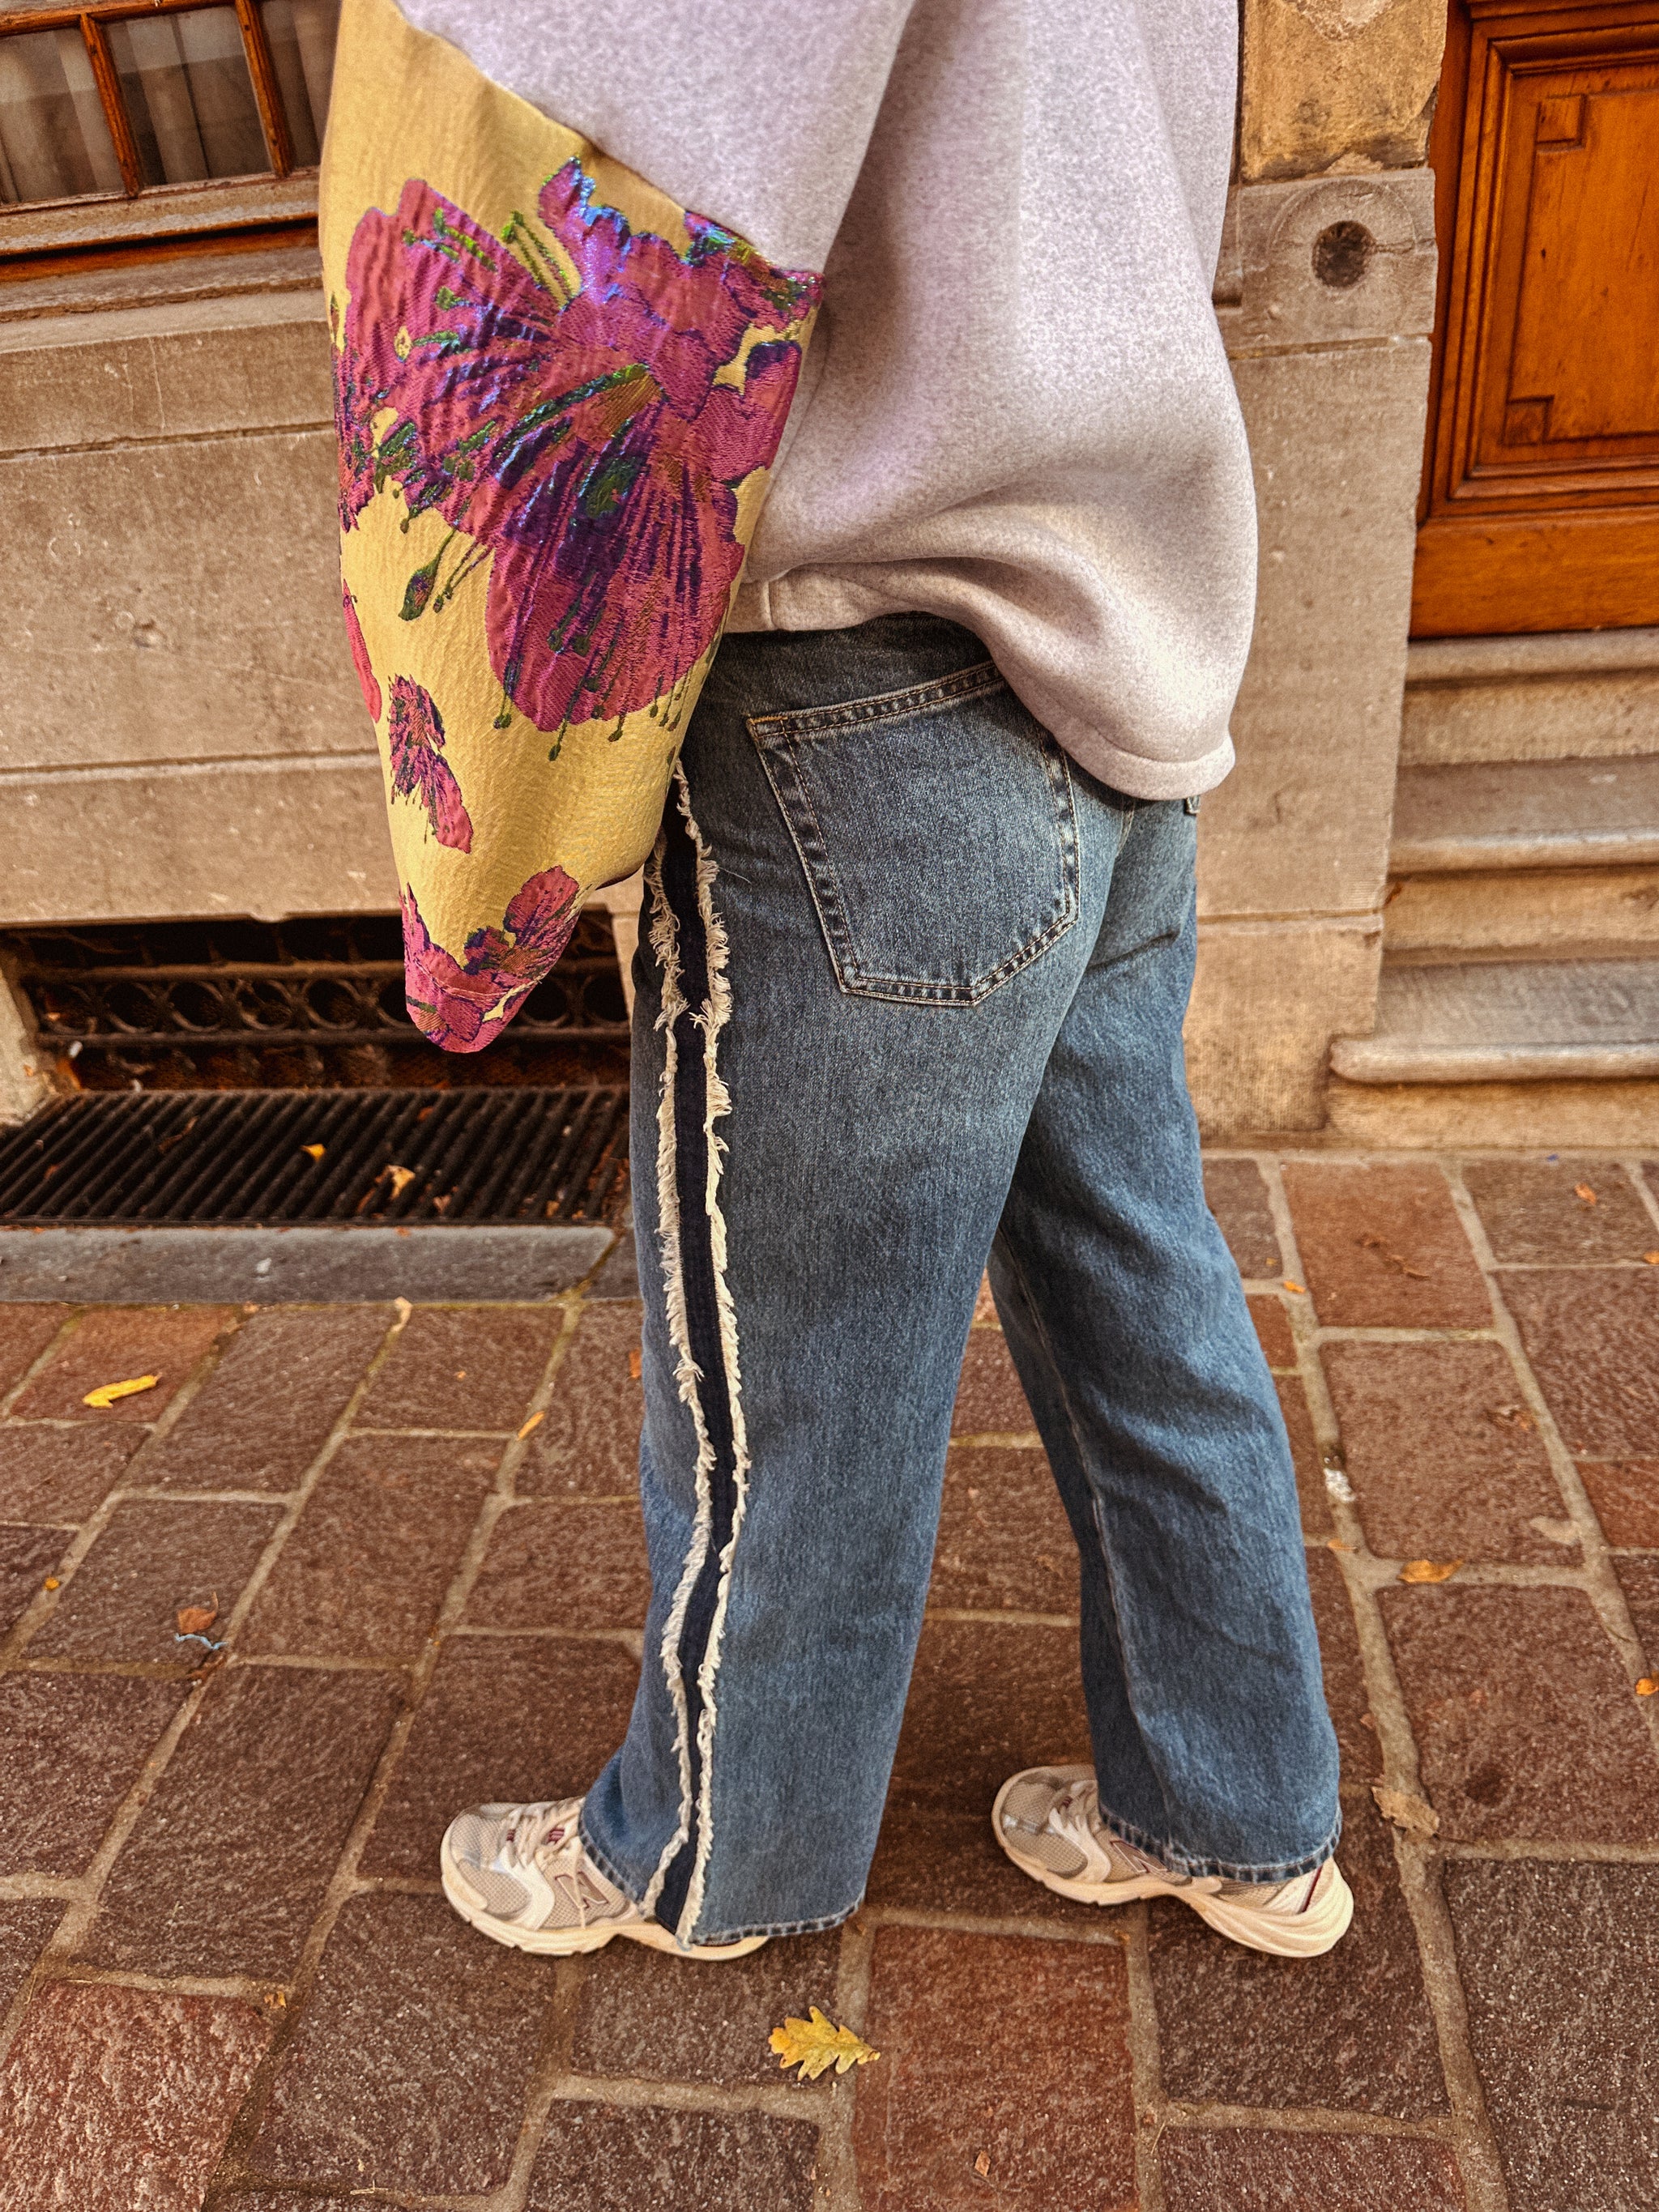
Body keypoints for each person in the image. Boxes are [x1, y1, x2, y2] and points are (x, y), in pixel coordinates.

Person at [322, 0, 1350, 1964]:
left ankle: (711, 1855)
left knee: (786, 1372)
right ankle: (1240, 1818)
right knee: (1138, 1282)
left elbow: (608, 138)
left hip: (857, 680)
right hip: (1114, 644)